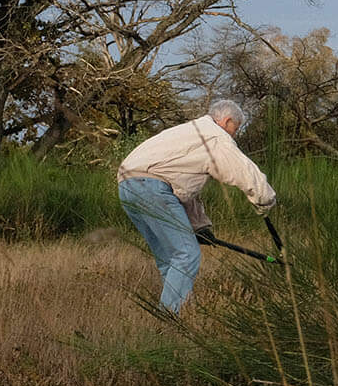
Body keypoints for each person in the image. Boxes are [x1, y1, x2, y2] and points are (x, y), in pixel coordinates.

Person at [117, 99, 277, 314]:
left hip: (127, 186)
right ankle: (169, 316)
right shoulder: (215, 136)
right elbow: (244, 171)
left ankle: (178, 311)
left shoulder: (189, 132)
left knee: (169, 257)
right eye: (235, 129)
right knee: (186, 254)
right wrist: (264, 200)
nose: (234, 135)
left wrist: (200, 227)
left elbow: (182, 188)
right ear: (227, 121)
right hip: (151, 187)